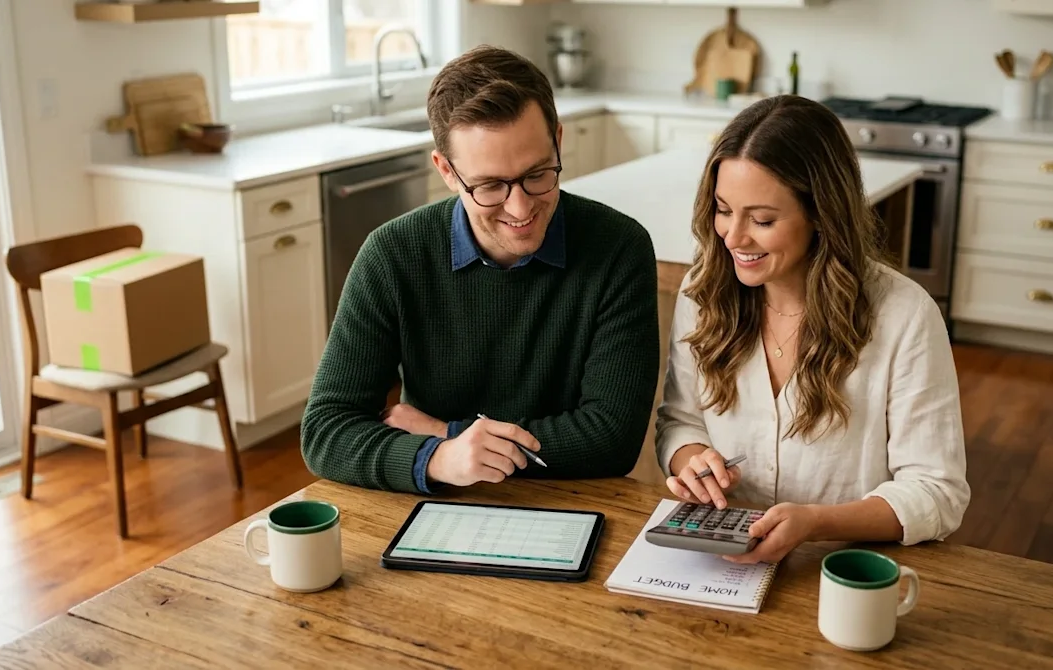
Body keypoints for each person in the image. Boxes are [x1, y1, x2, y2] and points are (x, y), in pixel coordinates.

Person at [300, 45, 660, 493]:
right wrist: (442, 460)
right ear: (446, 171)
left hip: (573, 502)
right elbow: (325, 431)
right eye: (490, 185)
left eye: (537, 174)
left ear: (559, 141)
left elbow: (611, 438)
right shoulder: (393, 254)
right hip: (440, 503)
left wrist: (443, 436)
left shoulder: (618, 248)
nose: (520, 206)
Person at [655, 95, 969, 566]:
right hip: (721, 561)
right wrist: (693, 458)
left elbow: (936, 490)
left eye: (762, 220)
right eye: (723, 210)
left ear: (821, 214)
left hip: (845, 566)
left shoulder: (904, 316)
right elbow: (680, 420)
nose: (733, 237)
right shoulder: (703, 295)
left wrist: (817, 523)